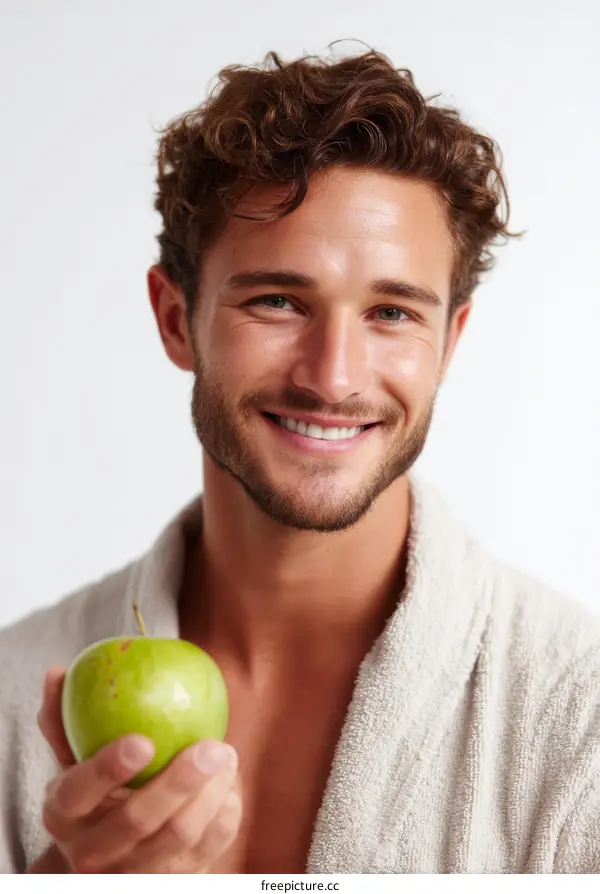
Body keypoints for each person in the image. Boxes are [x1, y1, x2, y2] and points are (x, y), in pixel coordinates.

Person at [1, 45, 599, 876]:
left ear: (448, 342)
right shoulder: (13, 693)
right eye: (278, 301)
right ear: (175, 319)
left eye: (392, 313)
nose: (334, 378)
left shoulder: (578, 714)